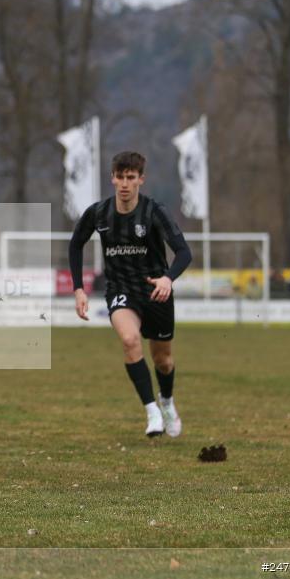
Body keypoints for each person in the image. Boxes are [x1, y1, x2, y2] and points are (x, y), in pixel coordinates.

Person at [69, 151, 192, 438]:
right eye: (120, 177)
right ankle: (151, 411)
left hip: (156, 292)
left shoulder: (154, 212)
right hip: (121, 290)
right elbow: (76, 245)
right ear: (112, 178)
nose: (125, 183)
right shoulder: (98, 213)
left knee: (163, 360)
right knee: (129, 339)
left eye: (131, 177)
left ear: (140, 179)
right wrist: (79, 288)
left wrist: (168, 279)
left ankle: (167, 402)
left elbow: (184, 253)